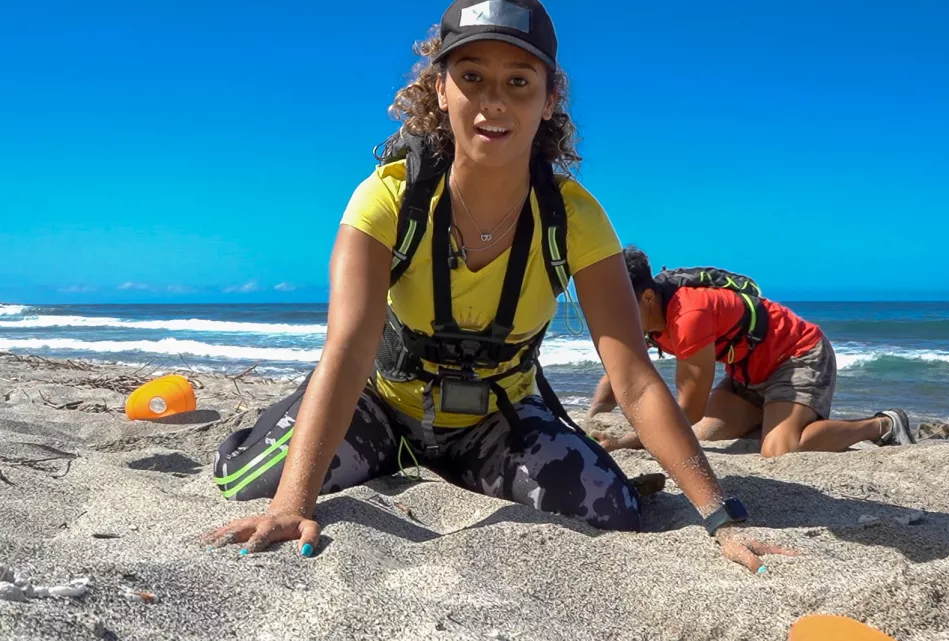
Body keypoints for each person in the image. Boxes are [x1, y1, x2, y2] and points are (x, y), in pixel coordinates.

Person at [200, 0, 793, 574]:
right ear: (440, 88)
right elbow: (348, 351)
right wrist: (293, 507)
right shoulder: (387, 200)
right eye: (472, 76)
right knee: (251, 487)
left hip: (495, 420)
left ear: (550, 96)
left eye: (518, 81)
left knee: (612, 511)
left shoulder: (575, 219)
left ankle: (454, 463)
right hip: (381, 404)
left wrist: (721, 518)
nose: (493, 103)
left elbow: (635, 379)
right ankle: (346, 446)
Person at [586, 246, 917, 457]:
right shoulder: (646, 314)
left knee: (780, 450)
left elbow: (689, 410)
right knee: (707, 438)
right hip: (746, 372)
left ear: (646, 297)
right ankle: (772, 416)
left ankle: (882, 425)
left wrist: (624, 443)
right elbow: (619, 372)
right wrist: (590, 422)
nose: (616, 317)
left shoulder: (688, 317)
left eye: (620, 307)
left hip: (797, 356)